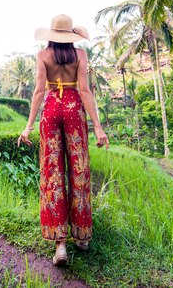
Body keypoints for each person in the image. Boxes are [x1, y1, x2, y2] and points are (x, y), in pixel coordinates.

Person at [17, 14, 109, 267]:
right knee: (79, 171)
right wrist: (98, 128)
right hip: (73, 109)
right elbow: (85, 90)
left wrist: (28, 126)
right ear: (70, 35)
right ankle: (82, 236)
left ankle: (60, 246)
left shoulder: (43, 55)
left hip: (50, 112)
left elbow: (38, 91)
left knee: (52, 174)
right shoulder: (80, 55)